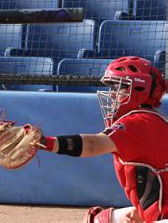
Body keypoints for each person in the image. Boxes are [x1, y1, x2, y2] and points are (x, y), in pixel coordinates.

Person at [39, 56, 168, 222]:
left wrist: (47, 143)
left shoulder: (139, 123)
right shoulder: (150, 120)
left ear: (138, 90)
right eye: (113, 87)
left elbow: (92, 145)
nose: (112, 95)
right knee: (99, 220)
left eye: (119, 87)